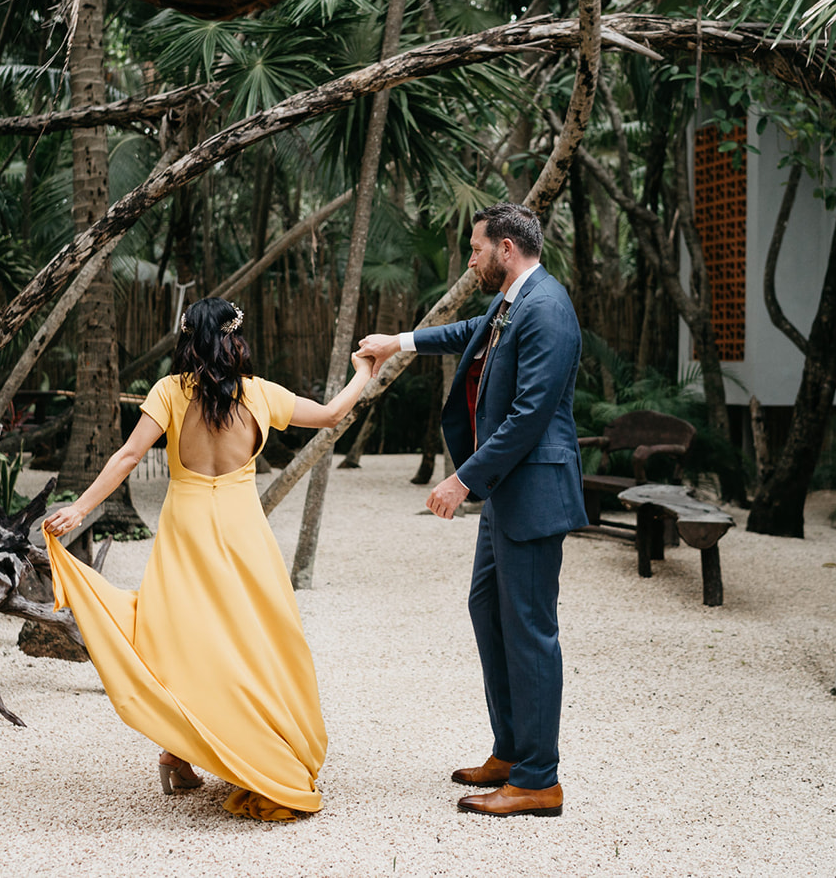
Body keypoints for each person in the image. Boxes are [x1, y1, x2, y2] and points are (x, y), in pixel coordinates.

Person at [41, 297, 374, 822]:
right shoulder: (260, 394)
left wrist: (80, 508)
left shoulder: (169, 392)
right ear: (233, 339)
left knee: (186, 642)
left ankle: (178, 753)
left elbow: (128, 456)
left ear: (186, 338)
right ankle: (206, 751)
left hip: (188, 532)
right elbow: (333, 414)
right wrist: (363, 372)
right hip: (244, 534)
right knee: (255, 643)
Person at [357, 202, 588, 818]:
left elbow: (530, 415)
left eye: (476, 248)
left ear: (506, 247)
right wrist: (398, 341)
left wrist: (462, 479)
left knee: (531, 632)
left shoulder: (548, 308)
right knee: (489, 610)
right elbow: (467, 335)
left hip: (533, 492)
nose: (471, 257)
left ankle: (539, 779)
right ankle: (512, 751)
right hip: (508, 495)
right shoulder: (511, 300)